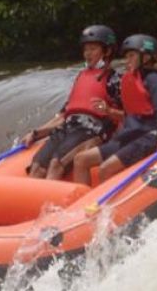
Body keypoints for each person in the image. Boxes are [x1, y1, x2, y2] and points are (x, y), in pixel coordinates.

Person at [73, 34, 157, 187]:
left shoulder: (155, 79)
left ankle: (105, 210)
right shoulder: (132, 79)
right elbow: (131, 115)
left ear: (146, 57)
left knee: (105, 169)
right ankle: (80, 203)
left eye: (131, 55)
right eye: (126, 56)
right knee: (80, 159)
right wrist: (108, 111)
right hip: (131, 135)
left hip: (149, 137)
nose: (127, 60)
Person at [22, 25, 122, 180]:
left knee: (56, 164)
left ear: (107, 51)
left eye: (93, 49)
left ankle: (50, 203)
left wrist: (109, 112)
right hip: (67, 128)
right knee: (37, 168)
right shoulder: (81, 77)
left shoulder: (114, 79)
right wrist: (35, 133)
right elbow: (63, 116)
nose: (87, 54)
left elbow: (131, 116)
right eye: (85, 49)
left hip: (92, 130)